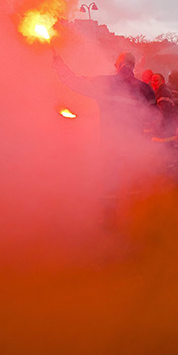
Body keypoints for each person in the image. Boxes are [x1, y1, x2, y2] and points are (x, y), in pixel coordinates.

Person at [52, 51, 156, 225]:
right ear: (134, 65)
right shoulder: (145, 88)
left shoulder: (106, 82)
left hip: (110, 144)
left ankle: (110, 221)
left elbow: (75, 83)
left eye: (116, 62)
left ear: (120, 64)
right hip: (135, 146)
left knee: (111, 182)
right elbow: (154, 117)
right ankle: (136, 217)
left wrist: (60, 66)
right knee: (133, 181)